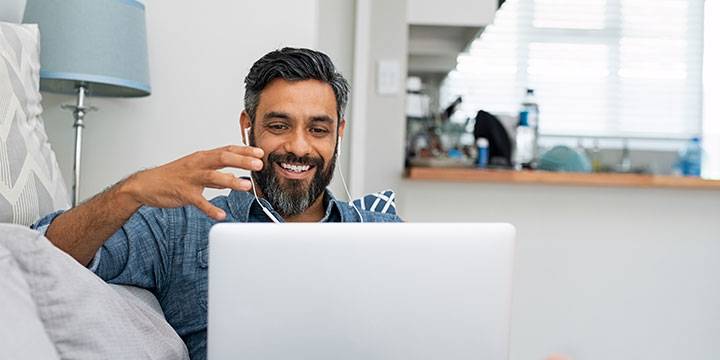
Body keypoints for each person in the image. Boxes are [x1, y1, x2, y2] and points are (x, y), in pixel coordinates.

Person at [32, 47, 402, 360]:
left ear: (339, 132)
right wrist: (132, 190)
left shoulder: (384, 235)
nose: (299, 147)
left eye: (318, 130)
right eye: (278, 125)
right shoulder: (179, 226)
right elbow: (42, 256)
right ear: (248, 126)